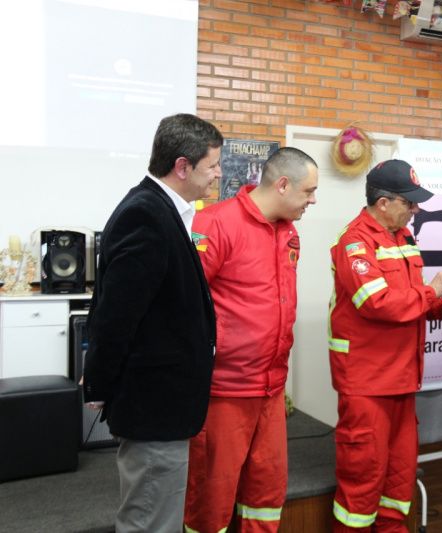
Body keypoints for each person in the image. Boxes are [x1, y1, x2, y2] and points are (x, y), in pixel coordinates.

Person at [82, 113, 223, 533]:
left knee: (158, 513)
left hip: (164, 403)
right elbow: (115, 314)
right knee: (150, 520)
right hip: (152, 405)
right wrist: (99, 384)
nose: (218, 174)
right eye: (212, 165)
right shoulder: (145, 215)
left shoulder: (162, 210)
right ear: (182, 166)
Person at [328, 159, 442, 532]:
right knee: (361, 489)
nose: (415, 210)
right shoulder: (354, 242)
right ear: (383, 203)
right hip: (368, 385)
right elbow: (376, 303)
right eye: (409, 203)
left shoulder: (403, 238)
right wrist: (432, 292)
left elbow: (412, 301)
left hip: (402, 381)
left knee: (398, 484)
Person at [183, 148, 319, 533]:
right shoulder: (215, 224)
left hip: (271, 390)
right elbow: (186, 306)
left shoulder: (289, 231)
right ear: (282, 185)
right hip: (224, 392)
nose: (313, 200)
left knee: (266, 492)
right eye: (308, 191)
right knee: (212, 497)